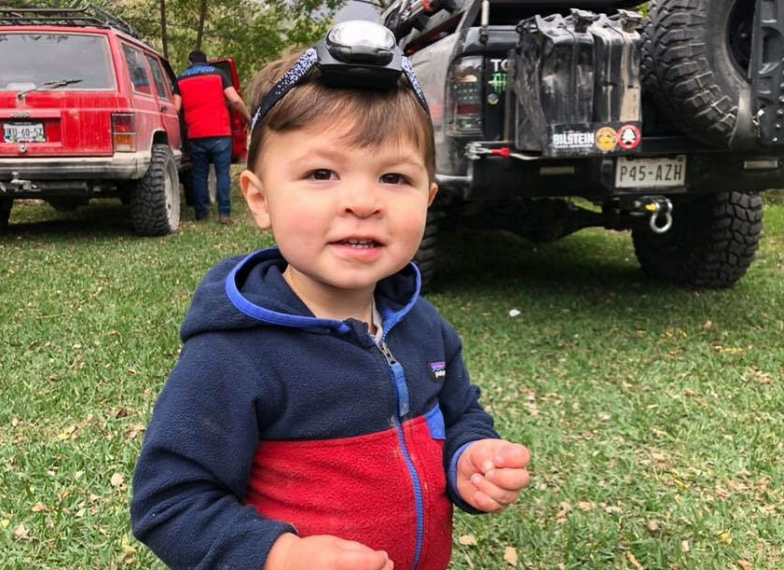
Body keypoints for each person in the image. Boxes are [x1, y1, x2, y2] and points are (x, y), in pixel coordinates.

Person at [131, 21, 531, 570]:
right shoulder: (232, 355)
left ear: (429, 198)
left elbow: (460, 414)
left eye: (395, 178)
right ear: (259, 198)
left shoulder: (424, 326)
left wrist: (468, 457)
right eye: (322, 173)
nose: (363, 201)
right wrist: (279, 555)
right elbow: (169, 502)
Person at [177, 49, 251, 224]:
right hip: (220, 133)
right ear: (207, 62)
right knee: (222, 174)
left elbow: (175, 108)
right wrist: (248, 118)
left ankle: (201, 215)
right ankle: (224, 214)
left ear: (189, 63)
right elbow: (235, 100)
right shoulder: (218, 74)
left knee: (199, 175)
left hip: (195, 134)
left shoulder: (181, 79)